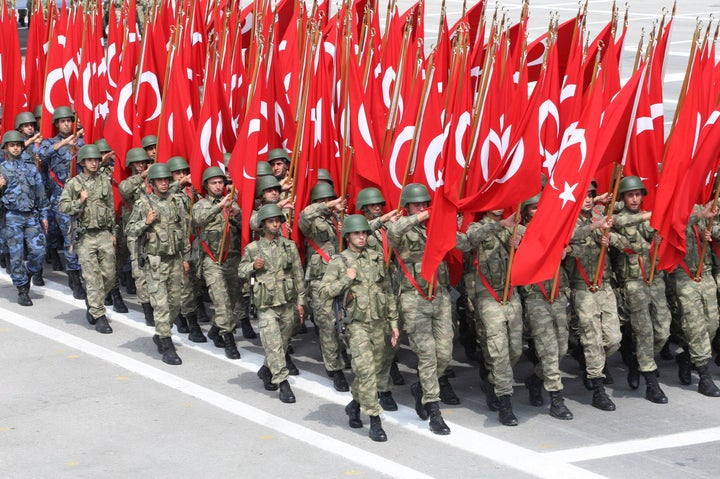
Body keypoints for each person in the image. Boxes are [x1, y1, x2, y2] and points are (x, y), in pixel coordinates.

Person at [319, 214, 400, 442]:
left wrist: (394, 323)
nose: (362, 237)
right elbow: (323, 292)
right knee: (365, 371)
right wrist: (346, 279)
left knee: (371, 371)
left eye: (364, 233)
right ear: (348, 236)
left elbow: (388, 292)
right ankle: (375, 420)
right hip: (355, 326)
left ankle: (354, 405)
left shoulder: (376, 258)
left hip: (378, 323)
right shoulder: (340, 262)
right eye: (357, 233)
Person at [386, 183, 453, 435]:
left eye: (426, 204)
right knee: (426, 354)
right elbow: (393, 232)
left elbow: (463, 242)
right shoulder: (401, 229)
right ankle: (434, 411)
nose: (423, 208)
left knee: (444, 354)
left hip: (440, 296)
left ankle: (422, 389)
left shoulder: (436, 227)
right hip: (414, 298)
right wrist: (423, 216)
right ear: (407, 207)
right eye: (417, 205)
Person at [461, 207, 524, 425]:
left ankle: (492, 380)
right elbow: (470, 239)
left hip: (510, 294)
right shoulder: (476, 227)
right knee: (499, 351)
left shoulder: (513, 227)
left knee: (515, 349)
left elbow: (536, 242)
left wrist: (520, 244)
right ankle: (505, 401)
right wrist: (500, 224)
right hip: (487, 296)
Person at [611, 176, 671, 403]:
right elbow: (620, 228)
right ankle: (650, 382)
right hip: (633, 283)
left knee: (663, 330)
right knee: (644, 331)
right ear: (623, 198)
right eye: (630, 195)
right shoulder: (617, 219)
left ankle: (638, 362)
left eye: (638, 194)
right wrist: (650, 218)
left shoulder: (648, 219)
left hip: (654, 280)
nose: (634, 199)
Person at [239, 204, 305, 403]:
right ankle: (283, 383)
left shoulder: (289, 245)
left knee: (283, 342)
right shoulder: (253, 249)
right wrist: (252, 266)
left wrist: (301, 301)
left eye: (277, 221)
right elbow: (241, 271)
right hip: (266, 304)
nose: (275, 224)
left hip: (286, 302)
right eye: (271, 221)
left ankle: (266, 369)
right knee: (274, 344)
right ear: (262, 225)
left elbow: (298, 274)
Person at [565, 184, 623, 411]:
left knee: (613, 339)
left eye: (591, 195)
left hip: (605, 285)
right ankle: (598, 389)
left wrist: (611, 239)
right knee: (593, 340)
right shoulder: (569, 220)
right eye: (584, 195)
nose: (588, 200)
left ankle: (587, 356)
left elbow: (619, 229)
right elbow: (568, 236)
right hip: (581, 288)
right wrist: (595, 226)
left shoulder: (601, 215)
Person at [125, 163, 190, 365]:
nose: (163, 183)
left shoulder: (175, 201)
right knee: (160, 304)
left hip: (175, 259)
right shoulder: (144, 203)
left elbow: (183, 229)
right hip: (155, 261)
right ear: (151, 183)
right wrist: (146, 222)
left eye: (166, 180)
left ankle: (162, 330)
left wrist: (186, 258)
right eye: (159, 180)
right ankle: (166, 341)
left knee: (176, 303)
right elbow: (130, 230)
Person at [517, 194, 574, 420]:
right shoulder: (520, 234)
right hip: (536, 298)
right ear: (524, 212)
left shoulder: (554, 230)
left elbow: (574, 238)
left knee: (561, 348)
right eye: (532, 209)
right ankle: (556, 399)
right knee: (549, 351)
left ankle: (535, 379)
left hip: (557, 295)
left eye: (539, 208)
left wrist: (566, 250)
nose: (536, 212)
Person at [58, 145, 116, 334]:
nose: (94, 163)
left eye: (96, 160)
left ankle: (93, 301)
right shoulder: (74, 183)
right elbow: (63, 206)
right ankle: (99, 315)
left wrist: (113, 232)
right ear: (82, 162)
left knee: (109, 275)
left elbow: (110, 207)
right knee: (92, 278)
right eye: (90, 160)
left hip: (104, 234)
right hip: (85, 236)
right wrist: (79, 201)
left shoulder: (104, 181)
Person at [356, 187, 404, 408]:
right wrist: (384, 218)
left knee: (390, 342)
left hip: (390, 288)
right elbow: (365, 230)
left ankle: (384, 387)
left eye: (379, 205)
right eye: (373, 205)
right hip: (369, 292)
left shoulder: (388, 228)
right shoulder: (359, 227)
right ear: (364, 207)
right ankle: (368, 390)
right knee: (372, 346)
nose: (377, 208)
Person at [299, 183, 350, 392]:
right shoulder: (312, 221)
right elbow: (304, 216)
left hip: (343, 276)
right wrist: (327, 206)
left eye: (329, 199)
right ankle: (334, 367)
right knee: (327, 325)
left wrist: (344, 227)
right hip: (321, 279)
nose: (327, 204)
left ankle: (342, 353)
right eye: (322, 200)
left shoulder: (340, 218)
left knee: (345, 320)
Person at [668, 203, 720, 397]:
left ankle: (687, 356)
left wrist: (709, 232)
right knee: (695, 326)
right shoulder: (673, 206)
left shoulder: (703, 206)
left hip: (705, 272)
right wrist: (699, 216)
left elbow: (713, 227)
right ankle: (705, 378)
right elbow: (672, 225)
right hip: (684, 274)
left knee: (712, 324)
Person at [191, 166, 243, 360]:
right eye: (214, 183)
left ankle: (215, 329)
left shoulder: (232, 203)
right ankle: (229, 339)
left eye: (221, 182)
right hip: (212, 261)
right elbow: (199, 220)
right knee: (220, 302)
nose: (218, 186)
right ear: (206, 185)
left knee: (231, 300)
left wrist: (236, 214)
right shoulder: (202, 205)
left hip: (231, 258)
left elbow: (247, 225)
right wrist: (219, 207)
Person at [37, 106, 86, 300]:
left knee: (83, 238)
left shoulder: (81, 143)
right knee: (71, 238)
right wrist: (66, 142)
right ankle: (75, 280)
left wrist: (78, 148)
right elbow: (43, 155)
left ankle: (84, 274)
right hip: (61, 200)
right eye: (63, 121)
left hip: (82, 199)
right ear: (56, 124)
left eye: (69, 121)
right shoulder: (51, 143)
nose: (67, 124)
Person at [0, 130, 48, 306]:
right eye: (12, 145)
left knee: (39, 250)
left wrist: (44, 215)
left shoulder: (31, 168)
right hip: (12, 216)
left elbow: (41, 193)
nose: (16, 148)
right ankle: (22, 289)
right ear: (6, 148)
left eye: (18, 145)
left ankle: (29, 273)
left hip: (31, 215)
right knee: (16, 254)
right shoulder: (2, 169)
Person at [166, 156, 207, 343]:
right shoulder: (169, 193)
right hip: (178, 245)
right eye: (178, 173)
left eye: (184, 172)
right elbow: (166, 197)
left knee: (195, 282)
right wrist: (180, 183)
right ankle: (190, 322)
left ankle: (187, 312)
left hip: (195, 243)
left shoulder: (193, 192)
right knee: (184, 285)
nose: (183, 176)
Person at [119, 147, 155, 324]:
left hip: (156, 231)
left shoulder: (155, 179)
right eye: (138, 163)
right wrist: (141, 176)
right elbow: (124, 190)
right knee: (140, 272)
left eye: (144, 162)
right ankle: (147, 309)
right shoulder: (131, 181)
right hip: (137, 231)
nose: (141, 165)